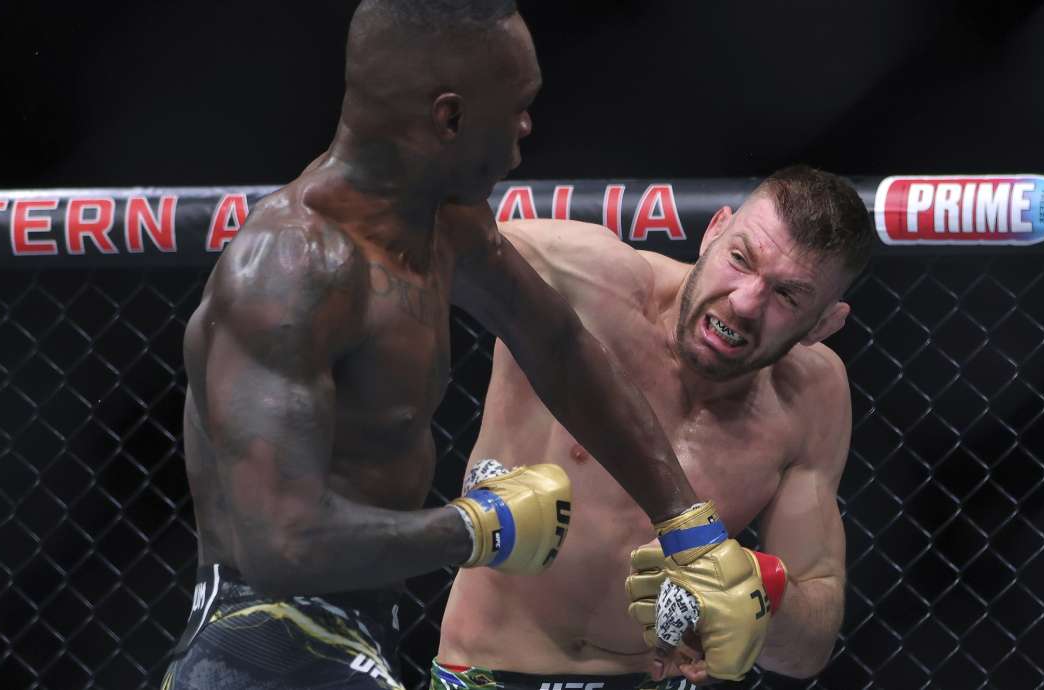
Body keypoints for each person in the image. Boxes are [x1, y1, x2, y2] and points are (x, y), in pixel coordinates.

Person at [162, 2, 768, 688]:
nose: (527, 126)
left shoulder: (445, 222)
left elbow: (558, 344)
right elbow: (280, 543)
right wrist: (479, 529)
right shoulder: (294, 267)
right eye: (517, 105)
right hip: (257, 636)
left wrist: (686, 524)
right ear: (449, 118)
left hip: (353, 634)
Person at [436, 165, 873, 689]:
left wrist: (756, 594)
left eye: (787, 296)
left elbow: (810, 647)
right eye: (740, 260)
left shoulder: (813, 395)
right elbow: (403, 236)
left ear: (824, 324)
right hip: (490, 670)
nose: (744, 301)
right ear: (713, 232)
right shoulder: (582, 278)